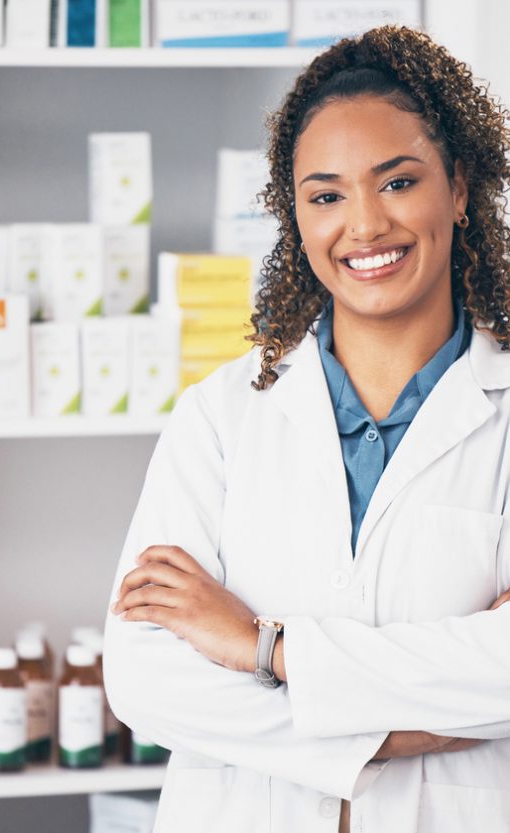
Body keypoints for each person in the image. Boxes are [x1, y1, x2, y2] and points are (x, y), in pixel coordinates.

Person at [106, 25, 510, 833]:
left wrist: (261, 647)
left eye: (397, 182)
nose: (362, 226)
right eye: (326, 195)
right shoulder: (219, 417)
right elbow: (145, 675)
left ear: (459, 187)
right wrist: (397, 732)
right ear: (295, 216)